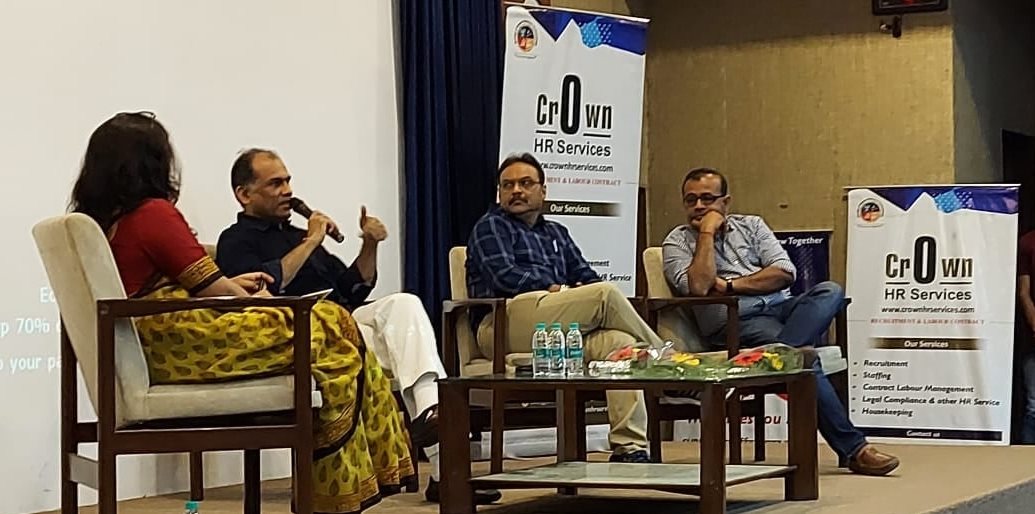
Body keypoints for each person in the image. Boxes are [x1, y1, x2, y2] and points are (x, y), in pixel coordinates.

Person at [69, 112, 415, 513]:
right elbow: (216, 289)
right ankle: (338, 488)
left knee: (330, 325)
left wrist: (236, 285)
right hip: (179, 341)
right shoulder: (153, 214)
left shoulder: (108, 221)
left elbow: (200, 281)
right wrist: (249, 292)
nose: (287, 190)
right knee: (330, 323)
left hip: (157, 344)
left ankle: (343, 482)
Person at [214, 148, 500, 505]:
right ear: (244, 194)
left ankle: (432, 417)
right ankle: (446, 470)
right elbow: (266, 285)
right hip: (304, 340)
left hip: (342, 327)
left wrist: (370, 244)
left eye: (288, 181)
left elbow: (351, 289)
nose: (288, 190)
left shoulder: (297, 235)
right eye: (275, 184)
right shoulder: (235, 240)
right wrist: (312, 240)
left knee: (404, 303)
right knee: (397, 338)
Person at [661, 167, 900, 476]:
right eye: (690, 200)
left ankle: (782, 352)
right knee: (805, 360)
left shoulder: (751, 225)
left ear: (726, 202)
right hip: (737, 323)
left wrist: (730, 285)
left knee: (830, 291)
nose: (698, 206)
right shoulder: (677, 242)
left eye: (707, 199)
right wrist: (706, 234)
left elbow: (785, 272)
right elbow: (698, 286)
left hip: (783, 308)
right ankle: (856, 450)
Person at [466, 152, 662, 463]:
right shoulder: (491, 226)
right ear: (499, 192)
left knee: (620, 345)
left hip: (556, 330)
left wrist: (569, 291)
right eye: (508, 185)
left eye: (525, 183)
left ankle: (629, 448)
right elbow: (505, 277)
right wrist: (554, 287)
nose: (516, 191)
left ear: (543, 191)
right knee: (604, 295)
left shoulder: (556, 232)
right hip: (502, 325)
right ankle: (669, 363)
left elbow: (585, 275)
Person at [1016, 230, 1035, 443]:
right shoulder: (1028, 242)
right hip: (1032, 340)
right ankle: (1027, 456)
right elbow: (1023, 291)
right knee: (1034, 406)